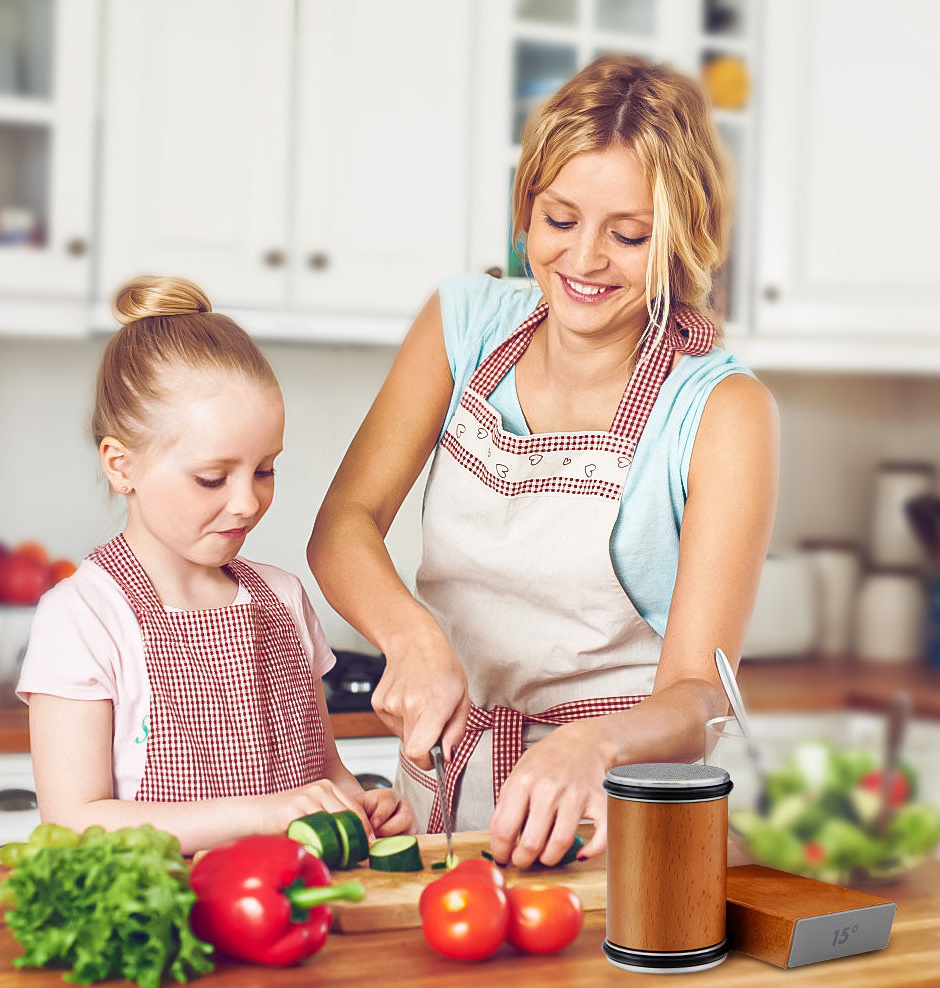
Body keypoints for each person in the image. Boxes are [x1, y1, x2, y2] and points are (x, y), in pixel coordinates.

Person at [306, 54, 779, 868]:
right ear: (526, 209)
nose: (584, 260)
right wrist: (410, 637)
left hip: (612, 814)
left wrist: (593, 745)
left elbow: (701, 698)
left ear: (679, 240)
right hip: (442, 793)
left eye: (629, 235)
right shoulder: (463, 324)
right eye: (559, 220)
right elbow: (342, 526)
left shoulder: (720, 410)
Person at [17, 276, 414, 854]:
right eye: (212, 477)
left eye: (264, 470)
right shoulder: (83, 617)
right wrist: (263, 815)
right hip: (168, 921)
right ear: (121, 465)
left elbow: (325, 772)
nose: (247, 503)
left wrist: (357, 806)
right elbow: (74, 826)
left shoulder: (282, 598)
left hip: (295, 913)